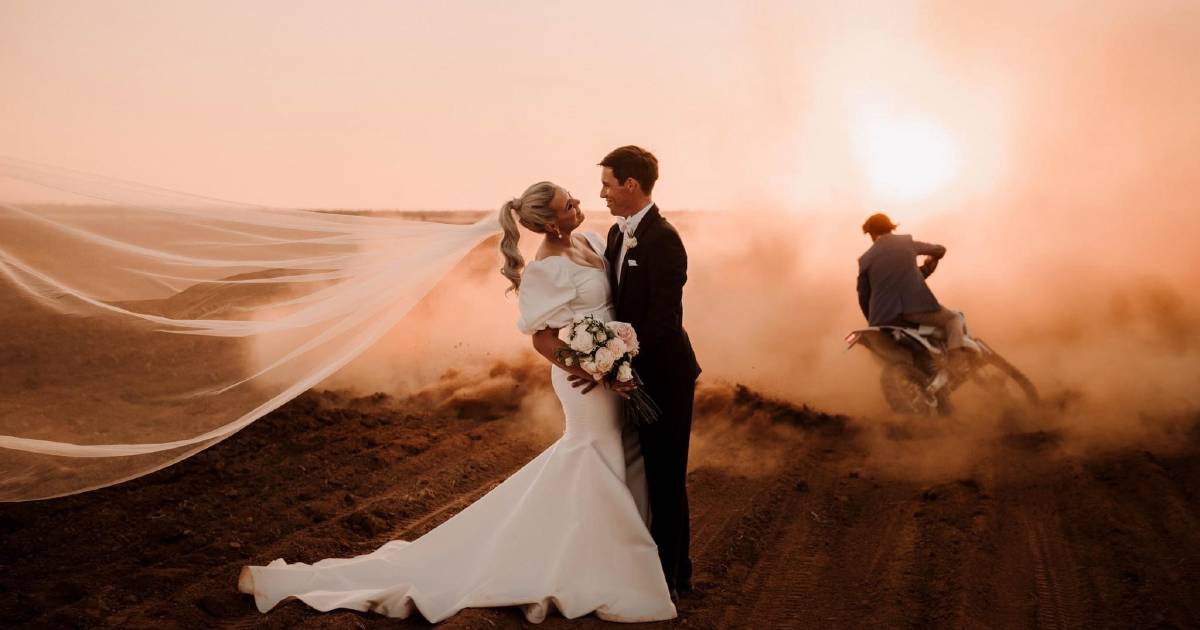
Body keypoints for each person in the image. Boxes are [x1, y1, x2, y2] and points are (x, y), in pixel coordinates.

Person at [237, 181, 677, 624]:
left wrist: (615, 360)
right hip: (584, 382)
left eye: (574, 198)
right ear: (548, 222)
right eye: (569, 204)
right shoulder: (546, 268)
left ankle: (587, 554)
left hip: (611, 372)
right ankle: (602, 569)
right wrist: (591, 370)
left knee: (613, 455)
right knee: (592, 454)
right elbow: (542, 339)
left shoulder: (590, 240)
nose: (579, 204)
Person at [571, 145, 701, 601]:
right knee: (640, 474)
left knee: (666, 475)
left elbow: (663, 320)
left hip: (664, 375)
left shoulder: (665, 239)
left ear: (631, 184)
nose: (601, 193)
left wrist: (620, 367)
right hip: (627, 375)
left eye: (607, 183)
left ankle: (674, 575)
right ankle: (644, 567)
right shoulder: (614, 233)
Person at [856, 212, 976, 371]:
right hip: (913, 310)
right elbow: (939, 250)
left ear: (871, 233)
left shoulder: (865, 259)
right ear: (890, 227)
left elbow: (863, 296)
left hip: (882, 319)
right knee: (953, 319)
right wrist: (932, 259)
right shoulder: (905, 242)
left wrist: (873, 321)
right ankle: (956, 364)